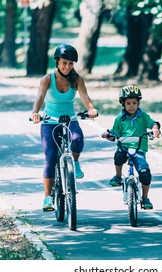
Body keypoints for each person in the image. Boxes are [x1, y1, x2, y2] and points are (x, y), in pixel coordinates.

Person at [31, 43, 98, 211]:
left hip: (70, 118)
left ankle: (74, 163)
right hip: (49, 120)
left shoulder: (77, 79)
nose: (67, 66)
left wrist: (91, 109)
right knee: (51, 157)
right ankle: (47, 198)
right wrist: (35, 113)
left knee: (78, 139)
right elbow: (40, 97)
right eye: (64, 63)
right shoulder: (47, 79)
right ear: (57, 62)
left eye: (71, 63)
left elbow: (84, 97)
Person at [102, 86, 161, 210]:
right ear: (123, 104)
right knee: (118, 156)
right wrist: (109, 135)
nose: (131, 106)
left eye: (134, 103)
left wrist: (155, 129)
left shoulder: (143, 116)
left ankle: (145, 198)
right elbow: (115, 132)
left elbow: (153, 123)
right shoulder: (119, 119)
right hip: (124, 147)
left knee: (145, 174)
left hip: (139, 149)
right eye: (128, 103)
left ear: (139, 103)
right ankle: (118, 176)